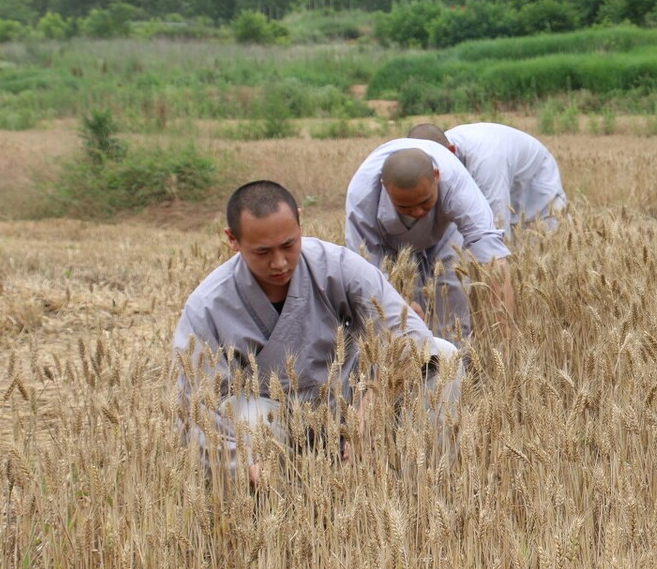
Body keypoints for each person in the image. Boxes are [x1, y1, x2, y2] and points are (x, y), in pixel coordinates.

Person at [173, 180, 461, 485]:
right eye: (262, 252)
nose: (279, 263)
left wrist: (371, 409)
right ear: (232, 239)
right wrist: (246, 469)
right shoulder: (206, 306)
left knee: (442, 354)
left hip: (348, 403)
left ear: (299, 219)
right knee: (244, 415)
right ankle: (282, 509)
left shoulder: (335, 264)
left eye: (289, 245)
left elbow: (410, 337)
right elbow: (194, 409)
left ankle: (424, 486)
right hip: (276, 423)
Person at [345, 138, 515, 342]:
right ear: (386, 188)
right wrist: (400, 300)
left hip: (444, 235)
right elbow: (365, 269)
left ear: (436, 176)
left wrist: (505, 334)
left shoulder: (456, 181)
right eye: (405, 207)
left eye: (425, 202)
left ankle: (457, 361)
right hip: (388, 245)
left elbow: (492, 254)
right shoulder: (362, 196)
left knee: (451, 300)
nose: (417, 212)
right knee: (398, 320)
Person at [407, 122, 567, 238]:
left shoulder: (486, 162)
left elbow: (497, 226)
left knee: (536, 247)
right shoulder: (437, 149)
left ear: (451, 150)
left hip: (536, 194)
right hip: (505, 177)